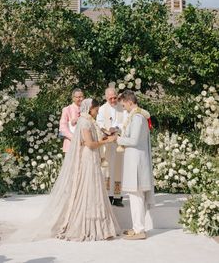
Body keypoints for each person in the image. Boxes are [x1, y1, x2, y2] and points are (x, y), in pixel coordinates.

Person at [11, 98, 121, 242]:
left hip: (93, 157)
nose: (97, 112)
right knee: (88, 187)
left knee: (94, 188)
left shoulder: (89, 121)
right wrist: (107, 141)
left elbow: (89, 139)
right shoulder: (85, 122)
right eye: (96, 110)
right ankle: (86, 225)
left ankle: (99, 224)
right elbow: (89, 144)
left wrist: (107, 136)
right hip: (89, 158)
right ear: (90, 109)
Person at [114, 90, 154, 240]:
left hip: (136, 162)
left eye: (124, 104)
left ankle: (140, 230)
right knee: (134, 195)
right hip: (134, 160)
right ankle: (137, 227)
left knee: (136, 195)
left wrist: (117, 139)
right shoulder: (135, 116)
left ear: (130, 102)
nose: (123, 107)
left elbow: (134, 140)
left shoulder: (137, 118)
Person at [96, 87, 126, 207]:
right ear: (106, 97)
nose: (113, 100)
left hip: (119, 142)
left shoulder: (122, 107)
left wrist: (117, 128)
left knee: (119, 169)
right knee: (107, 169)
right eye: (110, 98)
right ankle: (108, 196)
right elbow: (99, 123)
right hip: (108, 142)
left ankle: (118, 197)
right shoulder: (102, 109)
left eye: (114, 97)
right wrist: (107, 130)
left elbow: (126, 122)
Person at [59, 88, 84, 153]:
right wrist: (74, 138)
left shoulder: (86, 110)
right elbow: (63, 128)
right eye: (78, 97)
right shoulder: (67, 109)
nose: (81, 99)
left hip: (84, 145)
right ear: (73, 98)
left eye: (82, 97)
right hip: (70, 145)